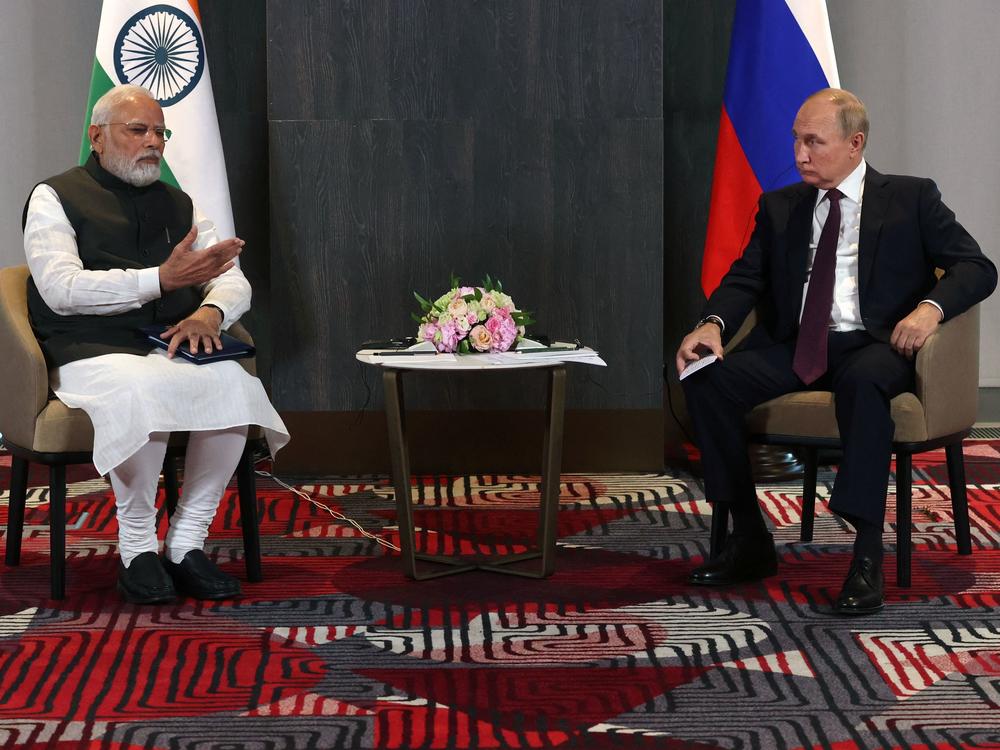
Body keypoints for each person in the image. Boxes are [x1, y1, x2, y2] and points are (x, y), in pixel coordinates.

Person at [676, 88, 997, 615]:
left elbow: (977, 268)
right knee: (706, 378)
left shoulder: (910, 198)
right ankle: (750, 538)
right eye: (796, 141)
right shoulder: (780, 207)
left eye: (813, 142)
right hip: (796, 344)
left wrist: (929, 310)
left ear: (855, 143)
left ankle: (866, 554)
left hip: (874, 344)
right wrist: (711, 324)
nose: (799, 154)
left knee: (864, 382)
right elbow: (745, 280)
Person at [23, 84, 290, 604]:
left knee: (232, 385)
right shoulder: (54, 197)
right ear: (96, 136)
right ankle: (138, 549)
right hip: (88, 349)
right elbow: (61, 289)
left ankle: (186, 543)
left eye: (160, 132)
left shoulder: (180, 203)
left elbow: (233, 279)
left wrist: (211, 311)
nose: (153, 143)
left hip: (165, 344)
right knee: (140, 390)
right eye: (138, 130)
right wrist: (158, 281)